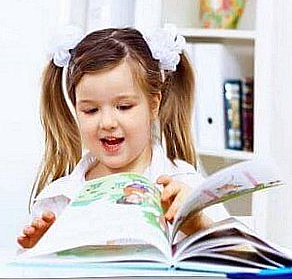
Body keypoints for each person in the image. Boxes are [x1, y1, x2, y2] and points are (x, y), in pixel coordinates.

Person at [17, 26, 229, 249]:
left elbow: (244, 256)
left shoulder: (188, 186)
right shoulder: (58, 198)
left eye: (124, 106)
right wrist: (40, 252)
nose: (107, 122)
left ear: (154, 105)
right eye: (91, 110)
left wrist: (196, 224)